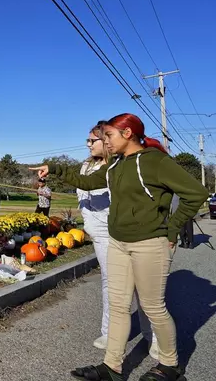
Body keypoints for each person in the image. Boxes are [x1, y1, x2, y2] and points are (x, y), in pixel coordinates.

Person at [30, 113, 206, 381]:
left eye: (108, 136)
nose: (105, 142)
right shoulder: (115, 166)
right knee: (119, 306)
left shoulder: (155, 161)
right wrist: (53, 169)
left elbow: (196, 193)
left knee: (152, 307)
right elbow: (88, 182)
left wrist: (172, 228)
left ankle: (170, 366)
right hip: (118, 243)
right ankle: (112, 367)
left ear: (128, 134)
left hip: (150, 244)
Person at [77, 121, 158, 358]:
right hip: (101, 235)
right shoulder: (85, 167)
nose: (88, 145)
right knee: (111, 283)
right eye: (88, 141)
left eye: (93, 140)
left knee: (142, 287)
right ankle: (110, 332)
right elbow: (83, 197)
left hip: (127, 232)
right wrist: (89, 225)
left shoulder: (120, 165)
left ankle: (152, 336)